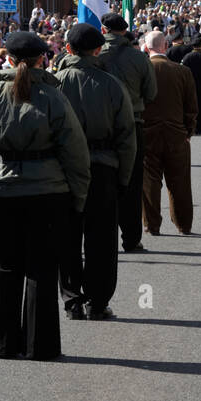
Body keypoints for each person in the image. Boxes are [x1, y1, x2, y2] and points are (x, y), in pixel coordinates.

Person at [0, 31, 90, 360]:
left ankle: (5, 343)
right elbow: (75, 154)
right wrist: (77, 199)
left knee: (5, 269)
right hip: (47, 192)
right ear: (42, 59)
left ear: (6, 58)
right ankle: (41, 345)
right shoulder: (54, 97)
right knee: (41, 269)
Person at [55, 23, 136, 321]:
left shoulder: (55, 83)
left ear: (67, 49)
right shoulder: (112, 84)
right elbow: (127, 137)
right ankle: (98, 301)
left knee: (68, 235)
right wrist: (124, 179)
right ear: (98, 49)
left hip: (64, 169)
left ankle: (72, 299)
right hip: (103, 168)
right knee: (101, 239)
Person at [98, 13, 156, 253]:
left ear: (103, 30)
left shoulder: (95, 57)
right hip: (132, 124)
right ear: (124, 31)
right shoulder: (138, 58)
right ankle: (131, 238)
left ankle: (100, 237)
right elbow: (151, 93)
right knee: (132, 183)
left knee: (100, 182)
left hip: (99, 127)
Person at [141, 30, 197, 235]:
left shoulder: (142, 71)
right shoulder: (182, 71)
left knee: (149, 182)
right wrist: (188, 131)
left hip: (148, 133)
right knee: (180, 181)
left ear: (146, 48)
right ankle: (183, 224)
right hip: (176, 132)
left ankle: (151, 224)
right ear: (166, 46)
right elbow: (191, 106)